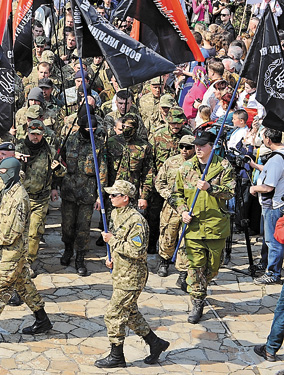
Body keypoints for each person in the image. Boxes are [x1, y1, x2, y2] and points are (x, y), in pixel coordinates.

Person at [0, 156, 52, 347]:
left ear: (12, 172)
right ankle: (42, 319)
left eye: (4, 173)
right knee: (24, 286)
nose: (1, 176)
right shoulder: (7, 191)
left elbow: (14, 232)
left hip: (13, 252)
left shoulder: (19, 198)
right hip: (8, 250)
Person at [93, 180, 170, 367]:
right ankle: (156, 343)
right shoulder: (116, 213)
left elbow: (137, 251)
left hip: (132, 275)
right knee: (129, 313)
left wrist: (112, 242)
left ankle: (117, 357)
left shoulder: (137, 221)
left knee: (113, 314)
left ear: (125, 198)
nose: (110, 198)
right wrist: (109, 256)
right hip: (120, 271)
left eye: (114, 195)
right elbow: (117, 240)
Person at [170, 130, 234, 323]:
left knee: (213, 267)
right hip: (194, 227)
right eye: (196, 145)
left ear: (212, 147)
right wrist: (182, 211)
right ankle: (197, 300)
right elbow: (176, 194)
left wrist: (210, 188)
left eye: (202, 145)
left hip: (216, 226)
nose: (198, 148)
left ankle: (200, 285)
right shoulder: (186, 168)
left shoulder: (223, 166)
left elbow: (230, 192)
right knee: (196, 265)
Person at [56, 104, 107, 276]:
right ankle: (68, 250)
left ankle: (80, 257)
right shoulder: (69, 140)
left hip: (87, 192)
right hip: (69, 191)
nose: (90, 131)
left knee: (83, 227)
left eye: (93, 129)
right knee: (68, 226)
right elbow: (59, 162)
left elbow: (102, 170)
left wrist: (100, 196)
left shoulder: (98, 145)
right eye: (87, 128)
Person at [16, 120, 59, 272]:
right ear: (28, 132)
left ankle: (29, 261)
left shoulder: (50, 151)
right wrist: (16, 158)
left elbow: (59, 173)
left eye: (38, 134)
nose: (35, 137)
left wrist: (58, 171)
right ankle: (17, 259)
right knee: (18, 231)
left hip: (40, 199)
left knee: (34, 233)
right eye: (33, 134)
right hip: (21, 198)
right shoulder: (19, 148)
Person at [155, 134, 195, 278]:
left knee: (185, 239)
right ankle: (164, 261)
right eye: (182, 147)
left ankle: (183, 271)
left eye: (188, 147)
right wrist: (169, 196)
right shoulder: (170, 162)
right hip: (171, 207)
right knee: (168, 235)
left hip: (189, 207)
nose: (184, 150)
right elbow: (159, 182)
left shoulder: (198, 164)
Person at [249, 128, 284, 285]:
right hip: (273, 204)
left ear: (269, 140)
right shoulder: (279, 157)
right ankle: (266, 264)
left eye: (262, 137)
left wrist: (254, 188)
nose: (262, 140)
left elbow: (269, 186)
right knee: (268, 239)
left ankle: (273, 273)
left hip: (273, 205)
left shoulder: (277, 159)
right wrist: (255, 166)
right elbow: (272, 172)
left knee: (273, 241)